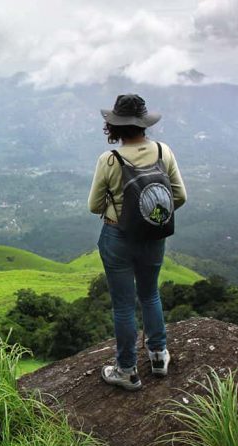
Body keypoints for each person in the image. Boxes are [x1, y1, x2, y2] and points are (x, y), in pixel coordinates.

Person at [88, 94, 187, 391]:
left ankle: (127, 370)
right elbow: (180, 196)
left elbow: (94, 205)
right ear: (143, 124)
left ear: (114, 126)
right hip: (153, 236)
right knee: (150, 295)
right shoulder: (162, 151)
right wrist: (149, 215)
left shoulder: (109, 159)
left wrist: (121, 213)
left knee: (122, 305)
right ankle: (158, 357)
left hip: (117, 236)